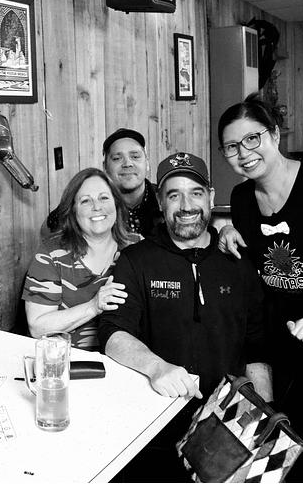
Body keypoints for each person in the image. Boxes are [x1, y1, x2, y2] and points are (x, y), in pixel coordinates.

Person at [98, 151, 271, 482]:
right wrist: (156, 367)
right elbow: (113, 333)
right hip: (152, 426)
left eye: (196, 193)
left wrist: (262, 418)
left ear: (211, 197)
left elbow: (256, 348)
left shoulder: (238, 262)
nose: (187, 205)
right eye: (174, 195)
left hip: (224, 429)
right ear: (160, 202)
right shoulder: (135, 260)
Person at [217, 94, 303, 481]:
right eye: (231, 147)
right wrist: (227, 232)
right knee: (286, 437)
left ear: (274, 135)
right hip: (279, 332)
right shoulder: (240, 198)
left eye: (252, 138)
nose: (243, 153)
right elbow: (255, 261)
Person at [22, 168, 139, 347]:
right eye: (85, 201)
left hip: (126, 356)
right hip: (69, 359)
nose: (97, 207)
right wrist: (93, 306)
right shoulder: (51, 254)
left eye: (104, 198)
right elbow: (37, 327)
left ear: (116, 204)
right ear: (73, 211)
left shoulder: (138, 247)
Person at [102, 128, 162, 237]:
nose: (127, 163)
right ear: (105, 167)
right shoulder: (95, 207)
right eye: (117, 158)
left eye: (135, 157)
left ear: (147, 163)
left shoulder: (165, 201)